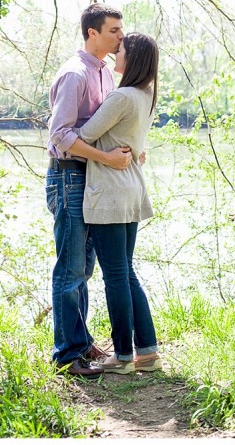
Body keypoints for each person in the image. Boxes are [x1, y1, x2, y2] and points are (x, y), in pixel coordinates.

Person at [46, 3, 133, 378]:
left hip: (95, 180)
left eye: (121, 30)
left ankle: (80, 341)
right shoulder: (75, 74)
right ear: (92, 33)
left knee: (86, 266)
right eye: (114, 30)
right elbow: (60, 136)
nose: (120, 37)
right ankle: (67, 355)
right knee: (69, 268)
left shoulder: (106, 76)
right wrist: (107, 158)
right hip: (69, 177)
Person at [71, 32, 162, 374]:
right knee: (126, 271)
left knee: (115, 276)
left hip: (110, 190)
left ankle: (122, 356)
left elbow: (82, 136)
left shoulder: (122, 96)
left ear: (133, 58)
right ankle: (148, 352)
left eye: (120, 50)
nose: (114, 54)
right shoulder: (144, 95)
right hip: (131, 188)